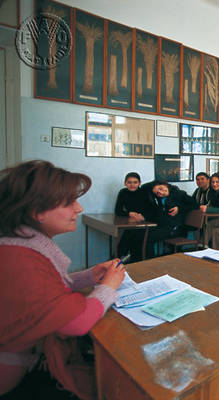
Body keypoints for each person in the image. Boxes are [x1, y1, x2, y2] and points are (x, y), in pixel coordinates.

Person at [0, 160, 125, 400]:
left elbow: (47, 286)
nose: (79, 208)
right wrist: (108, 287)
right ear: (36, 211)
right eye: (69, 203)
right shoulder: (19, 260)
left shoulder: (19, 243)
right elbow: (75, 323)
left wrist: (88, 276)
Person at [140, 180, 195, 259]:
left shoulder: (179, 194)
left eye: (160, 188)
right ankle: (139, 259)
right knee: (142, 233)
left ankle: (149, 262)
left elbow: (195, 204)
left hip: (176, 228)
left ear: (164, 184)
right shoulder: (159, 200)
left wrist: (179, 208)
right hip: (165, 226)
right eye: (157, 193)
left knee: (148, 237)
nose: (161, 192)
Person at [114, 172, 151, 258]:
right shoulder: (123, 192)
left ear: (139, 183)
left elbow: (152, 210)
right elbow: (118, 210)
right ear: (125, 183)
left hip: (145, 222)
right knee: (129, 233)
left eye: (135, 182)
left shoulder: (144, 192)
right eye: (129, 182)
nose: (132, 185)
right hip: (132, 222)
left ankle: (117, 258)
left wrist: (143, 216)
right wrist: (129, 213)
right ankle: (119, 258)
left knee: (130, 235)